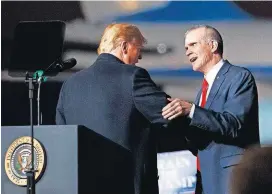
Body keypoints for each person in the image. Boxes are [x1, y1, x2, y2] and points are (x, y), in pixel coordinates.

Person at [56, 23, 186, 194]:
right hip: (126, 185)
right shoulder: (133, 77)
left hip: (82, 186)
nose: (139, 57)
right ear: (125, 46)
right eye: (138, 49)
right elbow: (168, 115)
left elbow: (62, 135)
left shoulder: (70, 84)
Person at [162, 25, 259, 194]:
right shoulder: (204, 89)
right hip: (205, 178)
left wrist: (191, 111)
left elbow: (234, 124)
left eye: (193, 45)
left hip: (230, 177)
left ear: (213, 46)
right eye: (186, 47)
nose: (187, 51)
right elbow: (205, 133)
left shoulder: (238, 77)